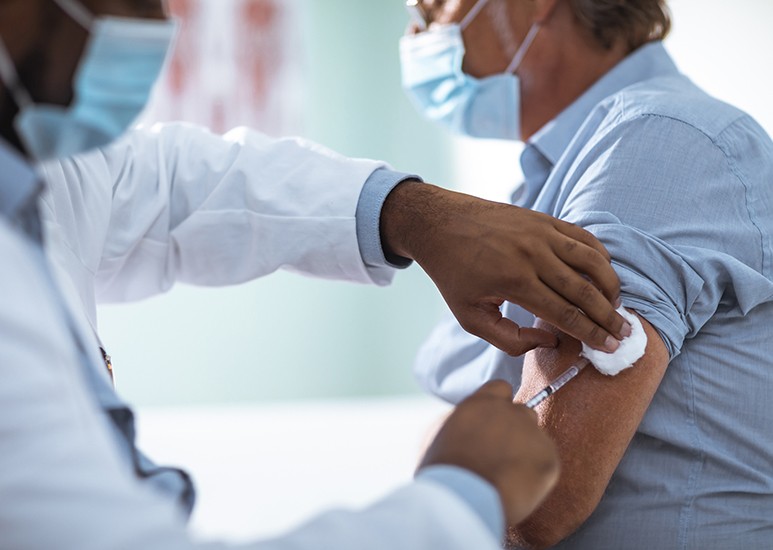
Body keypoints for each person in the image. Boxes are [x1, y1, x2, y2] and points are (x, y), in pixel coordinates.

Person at [0, 0, 631, 548]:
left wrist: (406, 213)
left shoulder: (39, 165)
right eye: (133, 0)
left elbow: (170, 183)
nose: (156, 29)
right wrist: (456, 504)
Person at [407, 0, 773, 548]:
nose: (418, 25)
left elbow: (538, 496)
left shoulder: (656, 140)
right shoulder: (550, 182)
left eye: (436, 5)